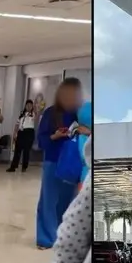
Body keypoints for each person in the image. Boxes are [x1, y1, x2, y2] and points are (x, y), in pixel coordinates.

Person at [34, 77, 84, 248]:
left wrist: (84, 130)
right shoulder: (50, 113)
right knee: (49, 200)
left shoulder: (80, 113)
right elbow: (41, 139)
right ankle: (46, 238)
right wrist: (54, 136)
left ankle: (63, 236)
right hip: (53, 162)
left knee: (68, 200)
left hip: (73, 163)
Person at [6, 99, 36, 172]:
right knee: (17, 150)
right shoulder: (21, 114)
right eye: (27, 105)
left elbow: (36, 118)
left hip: (29, 133)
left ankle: (24, 167)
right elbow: (17, 125)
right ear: (25, 106)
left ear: (32, 107)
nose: (29, 107)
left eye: (30, 105)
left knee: (26, 151)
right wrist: (14, 134)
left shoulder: (33, 114)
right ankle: (13, 166)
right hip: (21, 132)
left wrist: (35, 110)